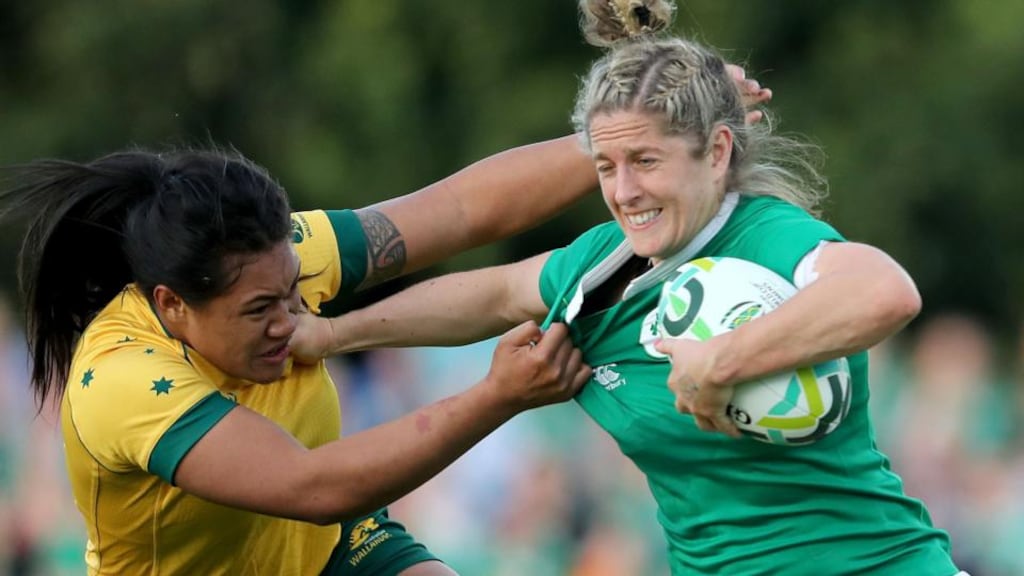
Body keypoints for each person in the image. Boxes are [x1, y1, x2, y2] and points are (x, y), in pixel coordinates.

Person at [292, 1, 964, 573]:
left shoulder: (765, 236)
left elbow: (886, 291)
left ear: (720, 152)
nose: (624, 192)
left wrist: (723, 360)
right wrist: (329, 334)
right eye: (606, 165)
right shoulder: (602, 267)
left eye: (646, 161)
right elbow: (495, 295)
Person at [0, 137, 599, 575]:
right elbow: (314, 488)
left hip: (329, 551)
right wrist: (497, 396)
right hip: (304, 511)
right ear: (173, 305)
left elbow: (462, 210)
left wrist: (615, 146)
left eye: (293, 292)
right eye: (261, 310)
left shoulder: (274, 257)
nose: (291, 322)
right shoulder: (122, 378)